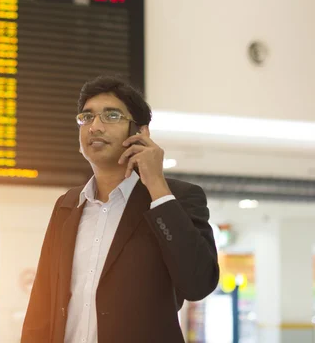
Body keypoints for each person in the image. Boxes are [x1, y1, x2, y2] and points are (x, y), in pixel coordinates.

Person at [21, 75, 219, 343]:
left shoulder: (178, 198)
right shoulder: (67, 205)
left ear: (140, 132)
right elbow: (42, 303)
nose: (95, 127)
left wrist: (157, 187)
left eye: (111, 116)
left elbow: (198, 283)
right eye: (86, 117)